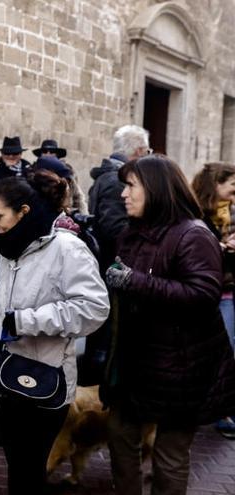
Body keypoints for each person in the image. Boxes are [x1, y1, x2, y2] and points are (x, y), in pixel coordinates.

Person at [0, 169, 110, 494]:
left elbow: (94, 308)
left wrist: (28, 321)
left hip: (47, 385)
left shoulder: (67, 249)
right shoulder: (8, 251)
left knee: (31, 472)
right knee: (19, 470)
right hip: (9, 381)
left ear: (23, 211)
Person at [104, 155, 235, 494]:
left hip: (182, 365)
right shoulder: (131, 233)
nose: (123, 194)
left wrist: (134, 282)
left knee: (170, 455)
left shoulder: (193, 234)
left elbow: (203, 293)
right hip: (135, 362)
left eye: (131, 186)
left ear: (156, 189)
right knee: (120, 437)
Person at [83, 125, 150, 386]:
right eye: (146, 152)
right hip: (111, 268)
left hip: (108, 268)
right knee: (105, 335)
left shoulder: (110, 176)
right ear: (138, 151)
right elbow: (114, 228)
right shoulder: (114, 180)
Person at [192, 162, 235, 439]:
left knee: (228, 351)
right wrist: (219, 248)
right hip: (206, 293)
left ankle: (222, 411)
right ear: (215, 184)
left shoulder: (230, 213)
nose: (234, 192)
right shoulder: (197, 215)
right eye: (231, 185)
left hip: (227, 291)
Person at [0, 136, 30, 303]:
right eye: (8, 154)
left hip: (24, 231)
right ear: (2, 155)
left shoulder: (29, 172)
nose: (11, 157)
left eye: (15, 153)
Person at [33, 138, 87, 213]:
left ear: (57, 154)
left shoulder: (67, 172)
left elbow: (77, 196)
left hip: (63, 212)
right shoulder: (33, 171)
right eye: (45, 151)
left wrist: (82, 214)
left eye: (52, 152)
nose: (48, 154)